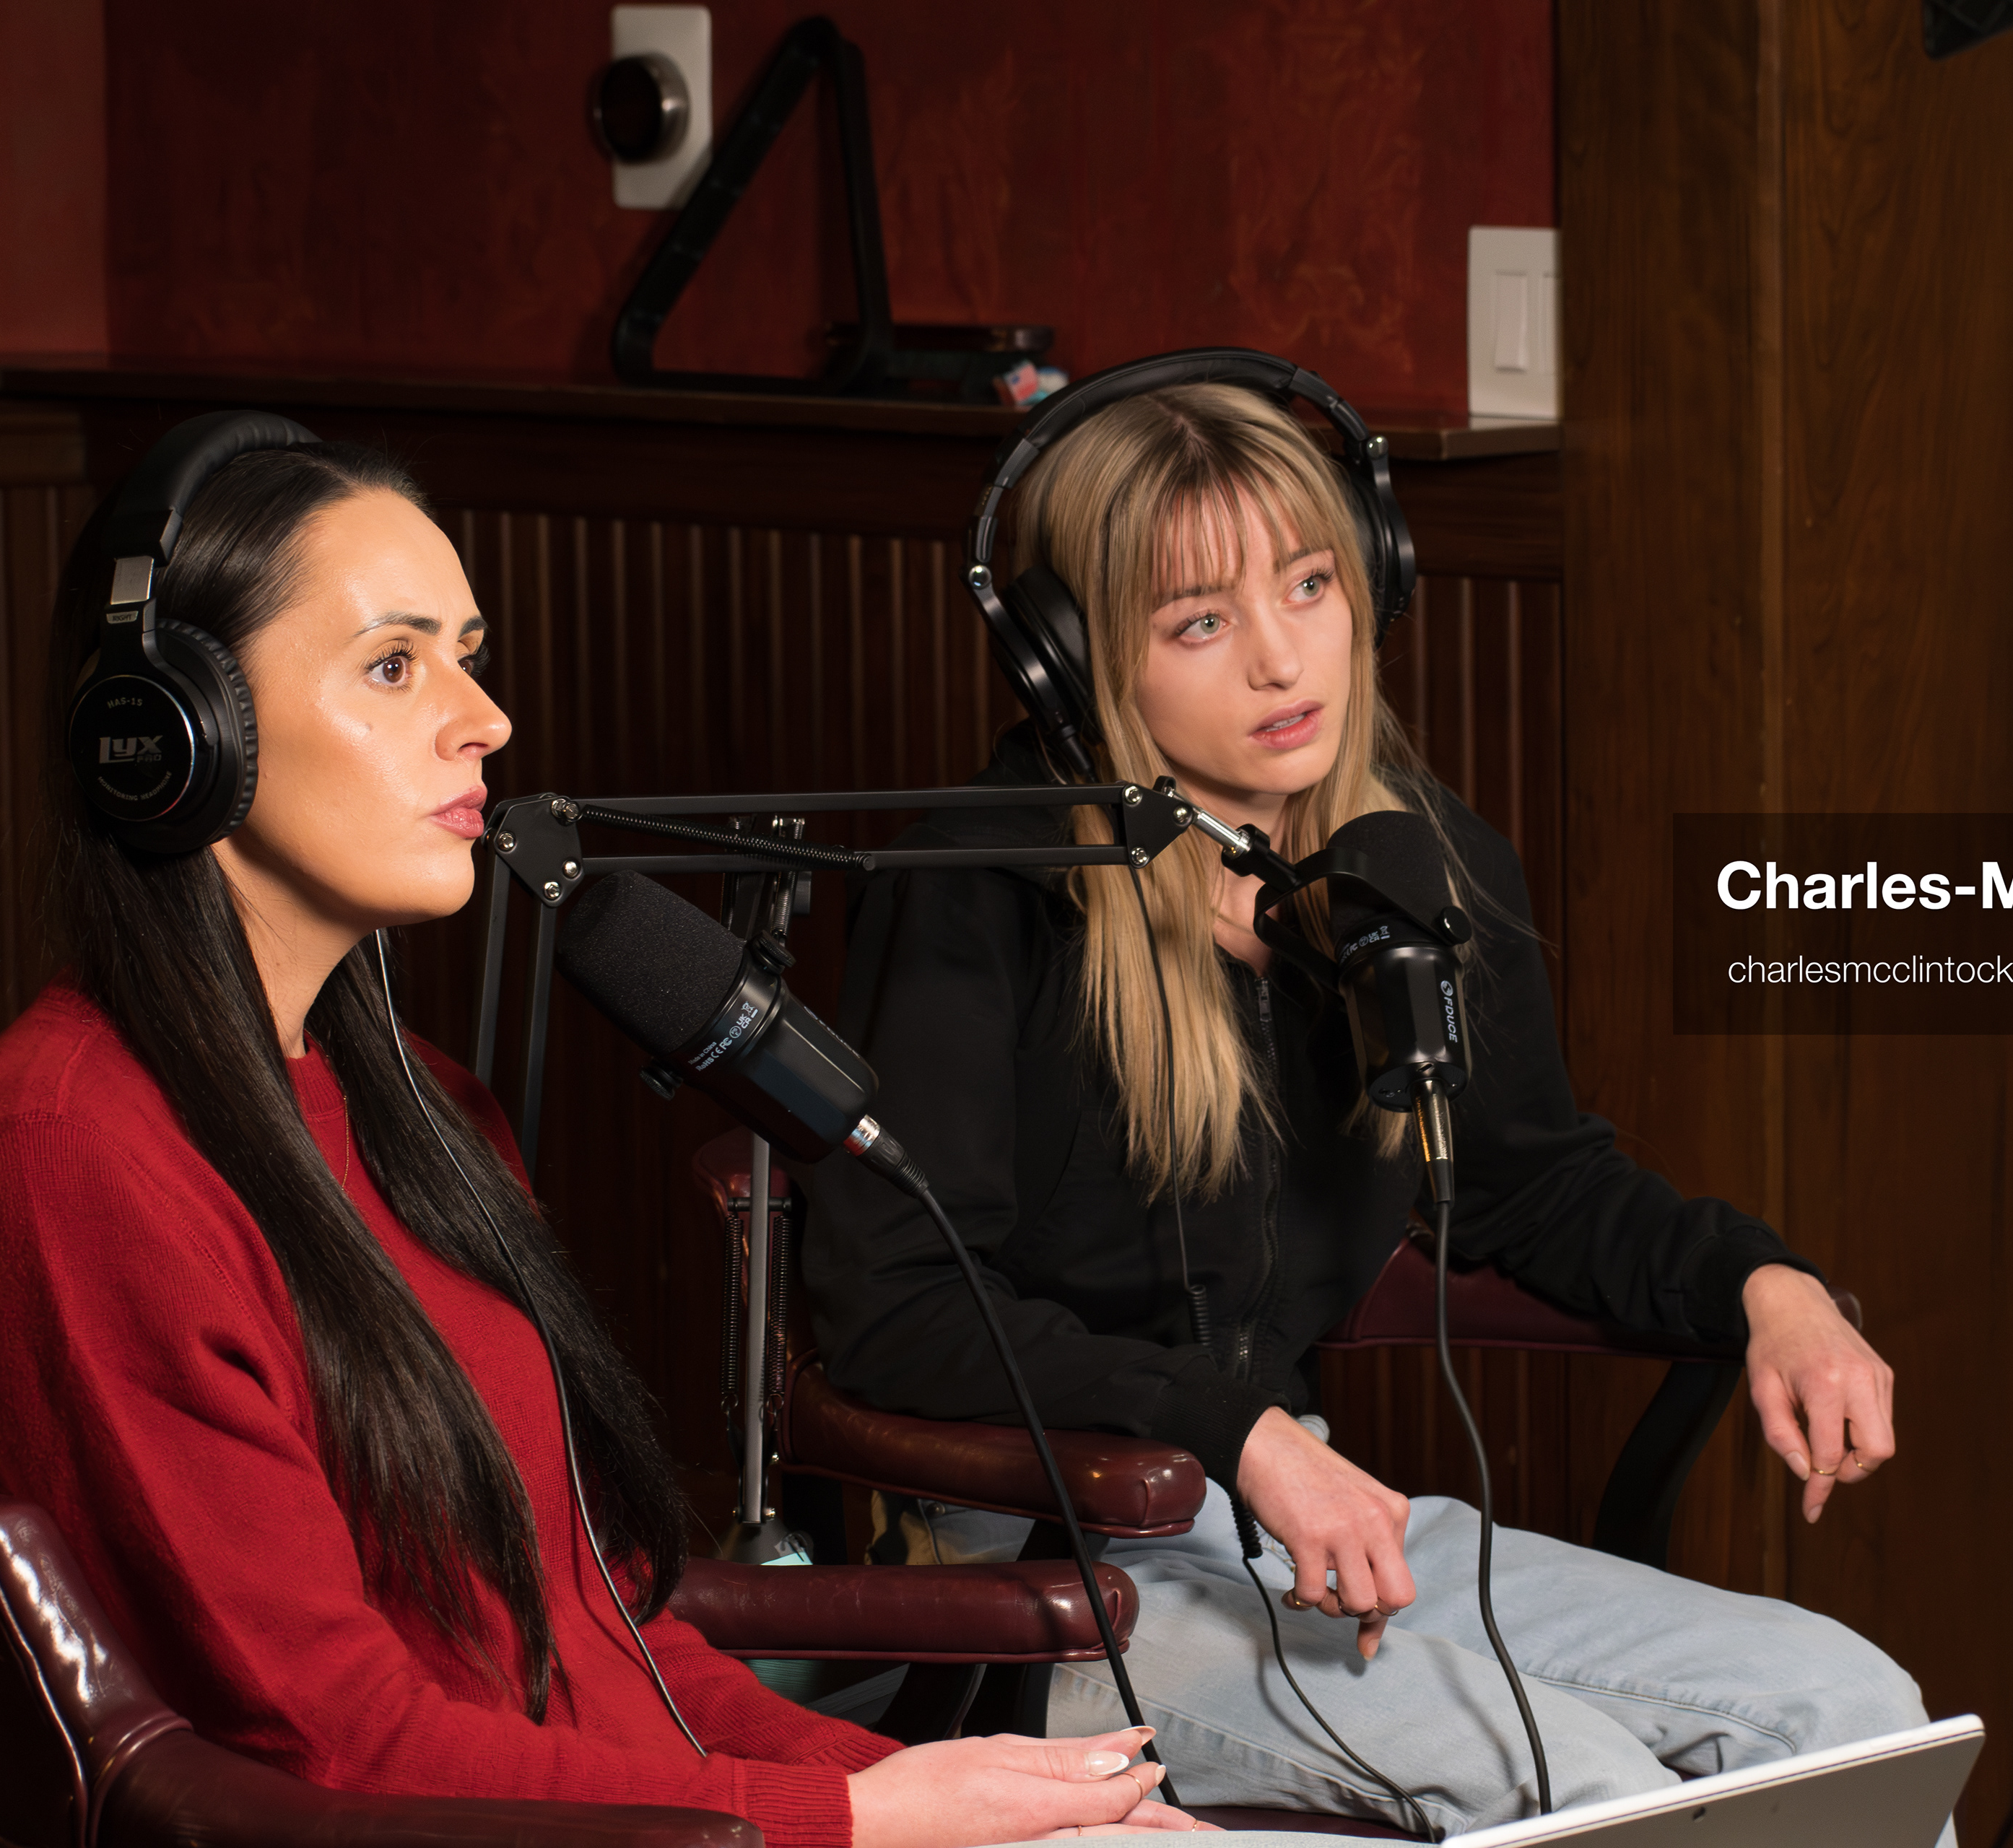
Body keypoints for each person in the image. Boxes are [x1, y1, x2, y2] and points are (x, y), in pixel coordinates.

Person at [0, 428, 1208, 1848]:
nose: (486, 719)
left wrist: (1010, 1806)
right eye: (395, 665)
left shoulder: (423, 1103)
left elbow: (605, 1634)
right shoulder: (68, 1160)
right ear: (169, 733)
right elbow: (337, 1744)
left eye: (465, 651)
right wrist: (851, 1815)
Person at [796, 378, 1936, 1837]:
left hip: (1301, 1527)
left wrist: (1767, 1282)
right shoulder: (984, 887)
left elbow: (1535, 1185)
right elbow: (896, 1306)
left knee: (1843, 1710)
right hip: (1039, 1559)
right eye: (1199, 620)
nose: (1284, 656)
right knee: (1582, 1785)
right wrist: (1244, 1430)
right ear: (1075, 662)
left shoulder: (1415, 863)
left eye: (1313, 582)